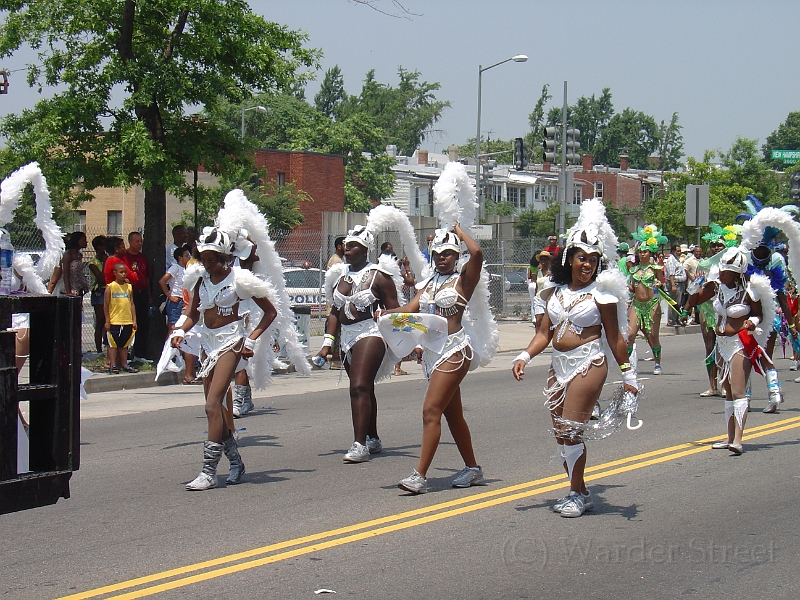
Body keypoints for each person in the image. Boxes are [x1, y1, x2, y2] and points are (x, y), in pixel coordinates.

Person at [512, 199, 638, 517]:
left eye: (594, 260)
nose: (588, 265)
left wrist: (629, 375)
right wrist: (524, 355)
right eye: (583, 258)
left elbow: (615, 337)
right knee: (560, 432)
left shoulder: (602, 295)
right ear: (570, 258)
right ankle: (580, 489)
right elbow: (543, 333)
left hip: (590, 363)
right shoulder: (552, 293)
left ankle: (575, 494)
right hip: (559, 365)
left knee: (570, 429)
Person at [171, 228, 277, 490]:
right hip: (207, 345)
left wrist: (251, 340)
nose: (207, 265)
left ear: (226, 258)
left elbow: (270, 312)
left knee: (212, 405)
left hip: (232, 342)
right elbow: (192, 312)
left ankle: (208, 471)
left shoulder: (240, 280)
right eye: (204, 259)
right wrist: (180, 329)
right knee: (219, 409)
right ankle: (236, 461)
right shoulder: (200, 280)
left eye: (213, 260)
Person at [393, 224, 489, 494]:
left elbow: (478, 253)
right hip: (432, 355)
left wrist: (460, 232)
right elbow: (410, 311)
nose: (442, 257)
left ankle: (419, 476)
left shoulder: (463, 279)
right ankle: (472, 468)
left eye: (447, 253)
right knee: (453, 414)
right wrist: (387, 315)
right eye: (437, 253)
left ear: (457, 254)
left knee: (430, 411)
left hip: (455, 350)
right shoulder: (428, 283)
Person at [316, 225, 400, 463]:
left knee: (359, 386)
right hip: (346, 337)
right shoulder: (339, 276)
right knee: (365, 388)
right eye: (345, 245)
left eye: (352, 246)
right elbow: (334, 312)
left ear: (365, 250)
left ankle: (359, 444)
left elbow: (396, 310)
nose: (347, 250)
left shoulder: (380, 276)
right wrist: (326, 344)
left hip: (372, 333)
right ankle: (372, 437)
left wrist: (402, 339)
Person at [683, 247, 770, 455]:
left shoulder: (750, 291)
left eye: (726, 271)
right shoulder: (716, 287)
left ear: (737, 272)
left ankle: (738, 439)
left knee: (739, 390)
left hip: (740, 343)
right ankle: (729, 437)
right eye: (721, 270)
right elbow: (691, 304)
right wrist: (695, 286)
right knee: (728, 392)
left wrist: (751, 321)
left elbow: (760, 315)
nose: (721, 274)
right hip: (721, 344)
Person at [628, 225, 668, 374]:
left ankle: (657, 363)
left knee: (652, 335)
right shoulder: (634, 270)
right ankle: (628, 365)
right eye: (640, 252)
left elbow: (662, 283)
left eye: (645, 251)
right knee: (630, 334)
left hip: (652, 305)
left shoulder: (656, 269)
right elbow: (632, 286)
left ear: (649, 252)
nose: (642, 254)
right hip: (636, 304)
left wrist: (658, 284)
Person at [104, 262, 138, 374]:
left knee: (124, 345)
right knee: (113, 344)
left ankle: (124, 364)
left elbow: (132, 303)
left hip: (127, 320)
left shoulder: (129, 287)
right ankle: (113, 364)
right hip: (115, 320)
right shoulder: (110, 287)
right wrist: (107, 321)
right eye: (121, 272)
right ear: (115, 273)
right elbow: (106, 305)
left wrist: (134, 320)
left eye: (125, 272)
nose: (123, 274)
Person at [122, 231, 152, 358]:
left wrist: (149, 295)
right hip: (130, 293)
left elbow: (146, 277)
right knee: (129, 324)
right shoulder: (124, 257)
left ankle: (140, 353)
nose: (139, 244)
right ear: (130, 242)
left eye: (141, 241)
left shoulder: (142, 257)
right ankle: (126, 353)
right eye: (137, 241)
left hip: (142, 293)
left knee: (143, 323)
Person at [159, 245, 190, 334]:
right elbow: (162, 281)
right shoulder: (175, 268)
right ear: (180, 258)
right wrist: (170, 296)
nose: (189, 258)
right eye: (186, 256)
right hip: (175, 301)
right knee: (172, 328)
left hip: (184, 302)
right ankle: (168, 347)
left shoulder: (187, 269)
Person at [87, 235, 108, 354]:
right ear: (98, 247)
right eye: (103, 245)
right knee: (100, 320)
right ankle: (98, 349)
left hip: (109, 290)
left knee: (108, 320)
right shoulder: (93, 262)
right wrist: (105, 263)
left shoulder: (108, 258)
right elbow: (101, 279)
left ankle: (107, 345)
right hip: (99, 292)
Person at [60, 231, 90, 297]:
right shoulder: (68, 254)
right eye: (84, 240)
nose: (86, 242)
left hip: (79, 287)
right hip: (71, 289)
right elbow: (66, 274)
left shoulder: (79, 255)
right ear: (77, 241)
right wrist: (68, 292)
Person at [664, 244, 687, 326]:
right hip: (675, 283)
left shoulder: (677, 259)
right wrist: (673, 285)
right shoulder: (671, 260)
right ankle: (671, 320)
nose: (680, 252)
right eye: (678, 251)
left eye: (680, 250)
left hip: (680, 283)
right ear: (673, 251)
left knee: (679, 302)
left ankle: (676, 319)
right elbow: (671, 274)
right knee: (674, 302)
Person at [532, 250, 553, 332]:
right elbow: (536, 286)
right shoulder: (538, 272)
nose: (543, 261)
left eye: (545, 259)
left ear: (549, 261)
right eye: (542, 259)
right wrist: (534, 298)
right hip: (539, 299)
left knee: (549, 323)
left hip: (549, 299)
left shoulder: (553, 273)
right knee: (538, 321)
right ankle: (537, 339)